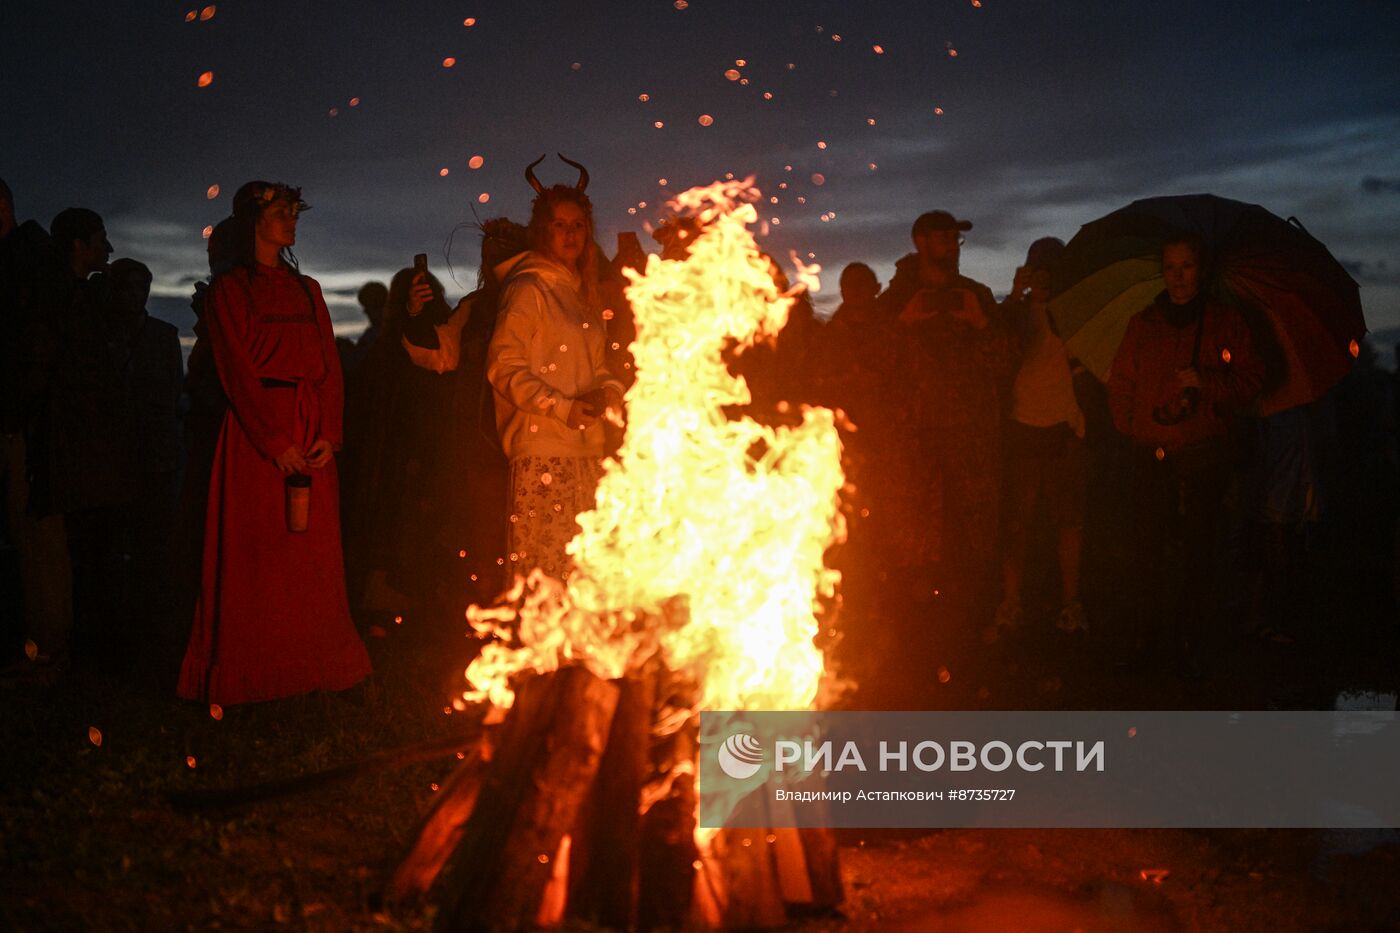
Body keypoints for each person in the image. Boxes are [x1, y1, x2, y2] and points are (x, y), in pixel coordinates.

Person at [177, 181, 370, 704]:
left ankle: (316, 662)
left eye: (293, 212)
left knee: (310, 557)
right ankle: (253, 670)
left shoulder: (307, 289)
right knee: (257, 555)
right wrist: (274, 439)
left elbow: (330, 366)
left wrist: (329, 432)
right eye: (280, 212)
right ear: (253, 221)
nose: (291, 220)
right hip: (256, 439)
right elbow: (236, 370)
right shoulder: (230, 291)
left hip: (310, 434)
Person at [1107, 235, 1264, 678]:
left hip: (1204, 452)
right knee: (1147, 550)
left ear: (1202, 269)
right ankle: (1146, 637)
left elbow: (1251, 377)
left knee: (1200, 550)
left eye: (1187, 266)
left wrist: (1208, 382)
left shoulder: (1226, 322)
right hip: (1150, 452)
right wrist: (1132, 424)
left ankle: (1189, 638)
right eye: (1171, 267)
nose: (1178, 277)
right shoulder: (1145, 323)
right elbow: (1122, 381)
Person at [486, 157, 624, 582]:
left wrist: (610, 391)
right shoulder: (528, 288)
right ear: (543, 230)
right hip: (543, 453)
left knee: (585, 576)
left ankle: (582, 651)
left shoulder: (581, 294)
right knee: (544, 576)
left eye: (578, 225)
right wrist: (561, 407)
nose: (570, 234)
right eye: (561, 225)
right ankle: (538, 649)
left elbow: (597, 367)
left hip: (586, 453)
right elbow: (503, 366)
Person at [880, 210, 1010, 616]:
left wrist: (980, 325)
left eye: (956, 238)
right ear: (920, 241)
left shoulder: (977, 295)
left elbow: (1007, 364)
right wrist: (903, 324)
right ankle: (915, 626)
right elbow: (871, 369)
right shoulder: (894, 301)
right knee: (915, 545)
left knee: (972, 543)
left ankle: (972, 623)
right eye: (943, 237)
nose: (952, 245)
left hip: (970, 444)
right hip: (914, 447)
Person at [994, 238, 1091, 637]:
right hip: (1021, 428)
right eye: (1039, 269)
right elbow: (997, 344)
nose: (1045, 277)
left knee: (1069, 522)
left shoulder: (1077, 313)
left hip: (1065, 430)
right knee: (1015, 524)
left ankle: (1071, 603)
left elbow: (1091, 366)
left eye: (1052, 269)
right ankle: (1012, 601)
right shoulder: (1016, 313)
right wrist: (1017, 295)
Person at [0, 179, 71, 682]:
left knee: (36, 534)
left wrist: (16, 413)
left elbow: (34, 347)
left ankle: (47, 649)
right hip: (27, 417)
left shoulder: (26, 263)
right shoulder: (27, 260)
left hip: (26, 423)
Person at [107, 258, 183, 641]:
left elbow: (172, 392)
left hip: (153, 453)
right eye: (128, 287)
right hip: (119, 454)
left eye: (141, 288)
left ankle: (148, 621)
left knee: (152, 541)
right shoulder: (102, 335)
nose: (135, 295)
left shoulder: (162, 335)